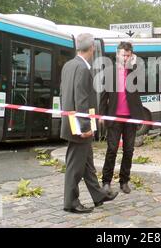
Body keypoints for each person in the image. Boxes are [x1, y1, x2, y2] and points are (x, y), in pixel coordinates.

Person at [60, 33, 118, 214]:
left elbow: (64, 95)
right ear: (92, 47)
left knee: (87, 164)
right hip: (79, 125)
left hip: (72, 121)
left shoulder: (69, 65)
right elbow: (81, 99)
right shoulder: (82, 68)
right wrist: (85, 127)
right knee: (75, 167)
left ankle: (99, 195)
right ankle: (71, 202)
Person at [100, 41, 144, 194]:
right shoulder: (109, 71)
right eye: (122, 54)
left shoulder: (134, 71)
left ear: (131, 55)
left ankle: (124, 181)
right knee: (112, 149)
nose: (125, 57)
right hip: (114, 117)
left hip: (130, 117)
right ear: (117, 54)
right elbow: (103, 95)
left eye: (128, 55)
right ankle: (106, 182)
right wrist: (102, 114)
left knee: (129, 150)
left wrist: (133, 64)